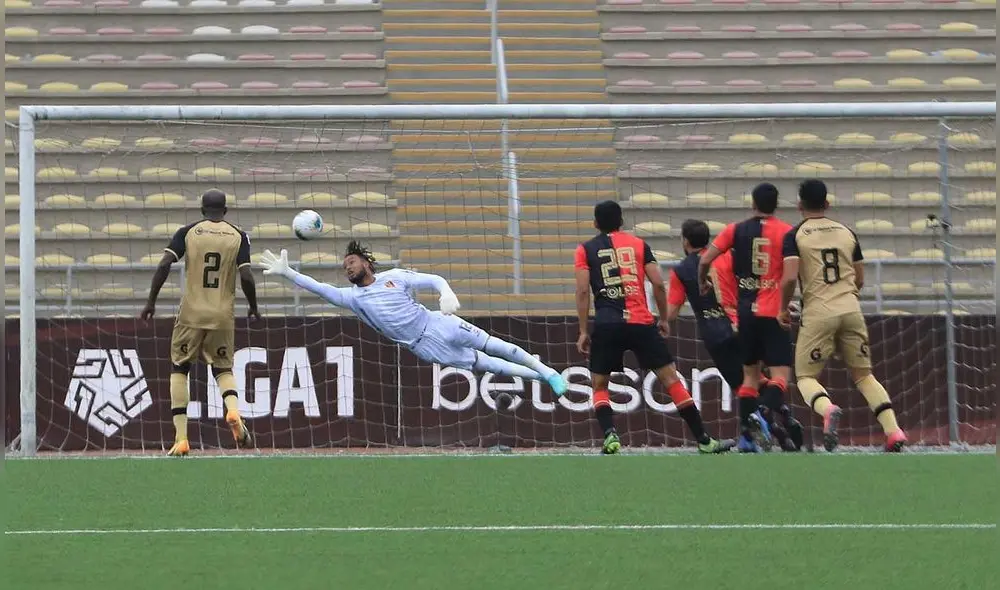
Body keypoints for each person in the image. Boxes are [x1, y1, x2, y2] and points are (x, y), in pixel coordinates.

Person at [259, 240, 569, 396]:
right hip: (422, 346)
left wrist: (446, 293)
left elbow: (433, 279)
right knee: (485, 365)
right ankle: (545, 377)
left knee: (493, 344)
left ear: (367, 263)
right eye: (345, 266)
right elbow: (321, 288)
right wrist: (289, 274)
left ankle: (545, 369)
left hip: (435, 322)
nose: (347, 268)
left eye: (351, 262)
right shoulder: (352, 298)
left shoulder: (395, 277)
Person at [574, 201, 734, 455]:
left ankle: (610, 435)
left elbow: (583, 290)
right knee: (671, 380)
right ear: (622, 222)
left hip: (607, 323)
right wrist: (662, 318)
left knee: (600, 385)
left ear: (595, 224)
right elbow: (658, 284)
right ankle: (703, 439)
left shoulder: (585, 249)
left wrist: (583, 330)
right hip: (641, 321)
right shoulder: (639, 245)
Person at [780, 179, 908, 452]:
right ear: (827, 204)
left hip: (818, 313)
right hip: (851, 309)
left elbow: (790, 277)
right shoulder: (847, 232)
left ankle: (827, 409)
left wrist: (783, 307)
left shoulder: (795, 235)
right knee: (864, 375)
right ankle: (894, 431)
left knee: (805, 377)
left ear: (799, 205)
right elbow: (859, 278)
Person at [141, 189, 260, 457]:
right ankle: (232, 410)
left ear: (202, 210)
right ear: (225, 211)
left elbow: (164, 264)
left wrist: (151, 302)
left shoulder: (188, 232)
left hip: (191, 314)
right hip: (222, 315)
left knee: (180, 368)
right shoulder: (238, 236)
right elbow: (247, 276)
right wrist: (253, 307)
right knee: (222, 368)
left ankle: (181, 438)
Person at [697, 182, 803, 452]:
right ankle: (763, 413)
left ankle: (746, 438)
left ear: (752, 202)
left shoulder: (736, 229)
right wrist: (785, 305)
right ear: (776, 204)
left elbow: (705, 259)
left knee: (750, 378)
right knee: (780, 376)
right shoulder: (788, 232)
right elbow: (791, 275)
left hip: (746, 314)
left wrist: (702, 282)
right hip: (773, 313)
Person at [665, 219, 772, 452]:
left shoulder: (682, 270)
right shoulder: (729, 257)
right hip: (743, 325)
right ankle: (769, 422)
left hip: (715, 334)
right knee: (757, 380)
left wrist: (659, 320)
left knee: (740, 387)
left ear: (685, 240)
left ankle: (755, 429)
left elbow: (671, 312)